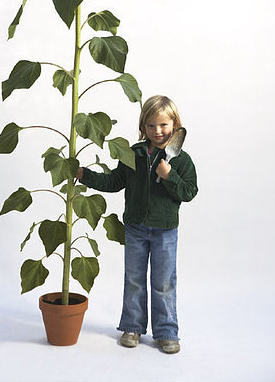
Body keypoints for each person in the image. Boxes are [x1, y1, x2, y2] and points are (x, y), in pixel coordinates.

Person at [76, 95, 198, 353]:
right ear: (143, 126)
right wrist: (84, 175)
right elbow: (113, 181)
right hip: (135, 227)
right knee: (134, 278)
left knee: (164, 281)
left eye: (164, 125)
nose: (158, 131)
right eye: (151, 125)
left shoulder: (181, 159)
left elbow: (188, 192)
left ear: (175, 125)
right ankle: (132, 325)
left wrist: (169, 175)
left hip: (165, 229)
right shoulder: (133, 153)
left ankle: (166, 331)